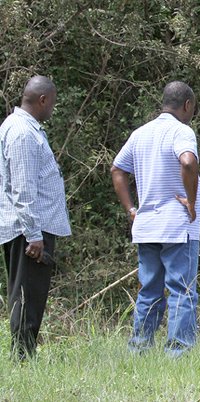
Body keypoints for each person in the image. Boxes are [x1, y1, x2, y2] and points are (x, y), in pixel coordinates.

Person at [111, 81, 200, 358]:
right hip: (176, 226)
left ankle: (139, 348)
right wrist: (191, 199)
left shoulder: (140, 134)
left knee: (149, 290)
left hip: (146, 225)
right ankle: (178, 352)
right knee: (181, 290)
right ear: (187, 105)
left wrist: (131, 210)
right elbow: (187, 162)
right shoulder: (182, 131)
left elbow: (117, 169)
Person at [0, 75, 71, 360]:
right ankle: (23, 357)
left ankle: (24, 353)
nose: (52, 109)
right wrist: (34, 234)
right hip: (28, 231)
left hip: (29, 228)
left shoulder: (23, 128)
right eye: (51, 103)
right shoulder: (22, 133)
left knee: (29, 293)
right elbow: (23, 187)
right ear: (42, 100)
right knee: (28, 295)